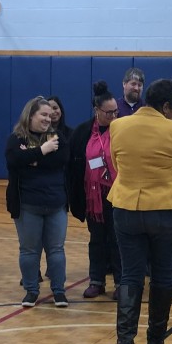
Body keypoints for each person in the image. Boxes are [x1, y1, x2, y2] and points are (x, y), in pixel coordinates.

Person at [107, 79, 172, 344]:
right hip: (165, 211)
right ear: (168, 106)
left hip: (126, 207)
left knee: (131, 275)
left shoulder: (118, 126)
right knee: (163, 276)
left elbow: (116, 165)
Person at [6, 97, 69, 307]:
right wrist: (43, 151)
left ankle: (59, 292)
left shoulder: (56, 136)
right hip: (27, 204)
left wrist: (32, 159)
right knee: (29, 250)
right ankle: (31, 291)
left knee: (56, 250)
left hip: (55, 203)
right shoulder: (17, 138)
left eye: (50, 115)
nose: (48, 118)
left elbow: (60, 160)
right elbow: (14, 160)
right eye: (43, 114)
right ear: (30, 115)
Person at [68, 82, 121, 300]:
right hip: (93, 196)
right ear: (97, 111)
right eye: (109, 113)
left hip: (117, 194)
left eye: (116, 112)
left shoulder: (122, 129)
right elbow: (73, 166)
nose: (113, 116)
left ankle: (121, 283)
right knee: (97, 239)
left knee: (117, 240)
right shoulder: (82, 132)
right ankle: (96, 281)